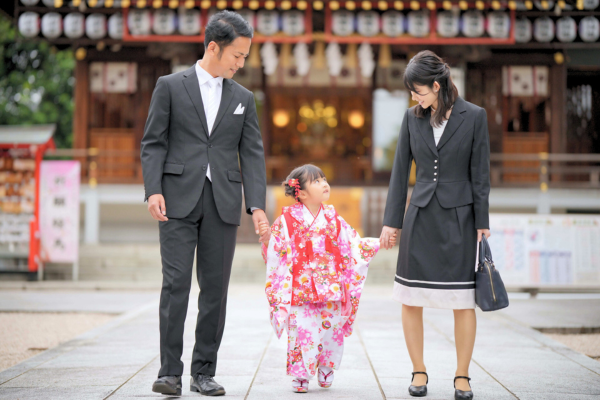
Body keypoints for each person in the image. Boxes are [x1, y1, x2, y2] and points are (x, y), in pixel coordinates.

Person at [140, 10, 269, 397]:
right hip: (176, 199)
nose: (241, 63)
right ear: (213, 47)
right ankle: (169, 372)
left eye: (246, 57)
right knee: (176, 284)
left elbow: (254, 153)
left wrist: (257, 205)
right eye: (237, 55)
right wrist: (153, 189)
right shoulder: (170, 85)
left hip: (223, 202)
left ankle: (204, 372)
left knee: (215, 289)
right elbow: (153, 142)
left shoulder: (243, 98)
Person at [379, 50, 491, 400]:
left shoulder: (474, 116)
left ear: (437, 85)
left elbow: (481, 174)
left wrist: (482, 222)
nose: (415, 97)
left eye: (419, 91)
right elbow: (400, 173)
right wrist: (390, 222)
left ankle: (462, 376)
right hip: (421, 216)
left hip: (460, 217)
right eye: (412, 92)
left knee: (462, 300)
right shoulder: (412, 118)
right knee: (410, 298)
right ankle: (419, 371)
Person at [259, 164, 394, 393]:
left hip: (330, 286)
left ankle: (326, 365)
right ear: (300, 193)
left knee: (330, 328)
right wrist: (267, 238)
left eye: (324, 179)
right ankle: (300, 373)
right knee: (301, 330)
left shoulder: (333, 217)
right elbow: (277, 250)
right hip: (301, 288)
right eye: (317, 181)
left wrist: (377, 243)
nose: (324, 183)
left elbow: (353, 243)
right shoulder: (287, 220)